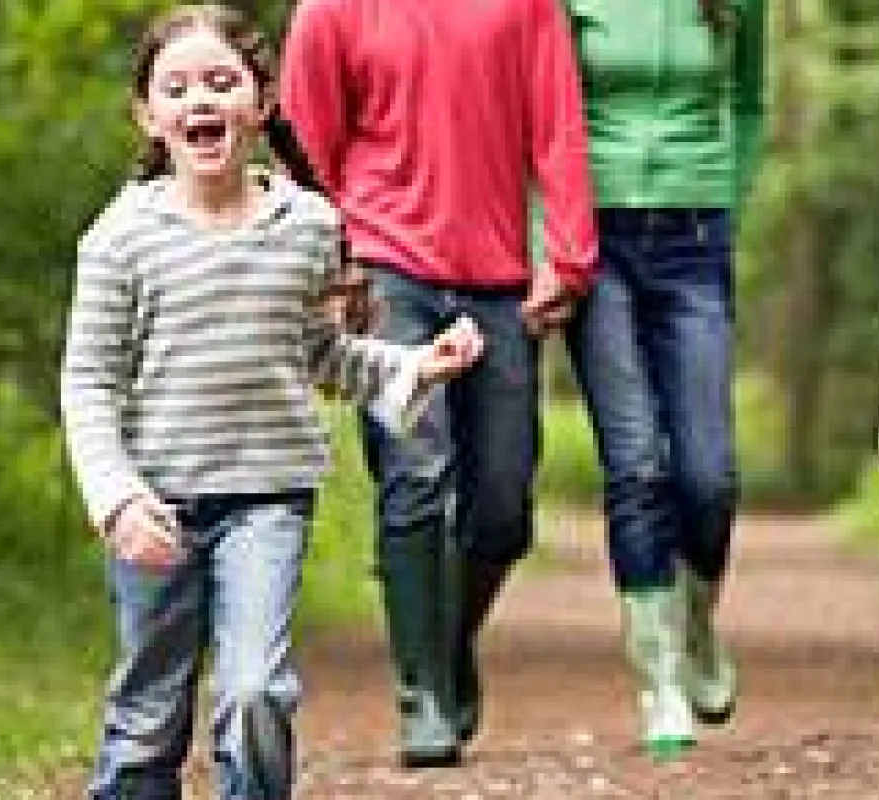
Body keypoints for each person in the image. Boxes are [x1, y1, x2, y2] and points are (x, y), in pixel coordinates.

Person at [60, 6, 484, 797]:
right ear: (149, 115)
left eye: (222, 83)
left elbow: (320, 356)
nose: (201, 102)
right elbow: (87, 380)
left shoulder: (308, 225)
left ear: (260, 102)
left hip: (267, 502)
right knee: (150, 714)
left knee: (254, 693)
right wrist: (115, 500)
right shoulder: (120, 238)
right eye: (177, 88)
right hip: (156, 504)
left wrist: (417, 368)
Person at [278, 0, 599, 769]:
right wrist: (326, 268)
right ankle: (421, 692)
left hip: (497, 278)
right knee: (414, 474)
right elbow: (304, 147)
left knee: (501, 506)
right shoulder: (333, 9)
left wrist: (570, 253)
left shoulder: (529, 8)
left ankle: (448, 642)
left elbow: (557, 128)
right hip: (385, 267)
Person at [558, 0, 765, 760]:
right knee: (637, 463)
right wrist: (549, 233)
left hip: (695, 237)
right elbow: (540, 109)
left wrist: (727, 199)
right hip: (593, 233)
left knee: (710, 475)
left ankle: (697, 619)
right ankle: (660, 679)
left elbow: (747, 102)